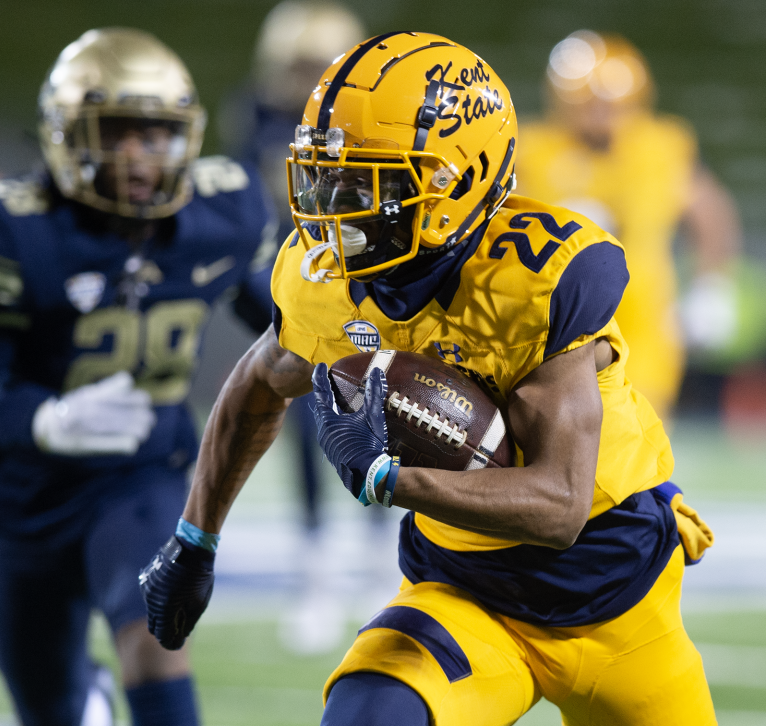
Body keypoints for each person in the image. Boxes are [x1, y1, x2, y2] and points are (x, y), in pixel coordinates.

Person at [141, 32, 718, 726]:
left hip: (617, 602)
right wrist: (195, 539)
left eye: (364, 182)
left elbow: (559, 507)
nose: (331, 208)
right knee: (367, 715)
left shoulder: (532, 279)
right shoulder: (327, 279)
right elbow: (259, 382)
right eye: (324, 176)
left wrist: (391, 479)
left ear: (455, 179)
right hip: (464, 592)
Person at [0, 28, 275, 726]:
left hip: (139, 475)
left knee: (155, 635)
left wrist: (360, 361)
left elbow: (289, 323)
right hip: (25, 496)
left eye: (158, 135)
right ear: (67, 133)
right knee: (49, 705)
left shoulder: (223, 212)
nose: (140, 157)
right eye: (117, 134)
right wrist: (44, 421)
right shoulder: (11, 228)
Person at [220, 0, 370, 654]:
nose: (311, 77)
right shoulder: (255, 117)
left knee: (382, 416)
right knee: (305, 426)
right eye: (301, 64)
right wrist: (269, 300)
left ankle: (378, 553)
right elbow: (244, 213)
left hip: (360, 281)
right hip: (291, 285)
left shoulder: (363, 120)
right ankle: (316, 570)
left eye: (322, 64)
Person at [515, 30, 743, 421]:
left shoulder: (659, 146)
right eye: (592, 104)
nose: (604, 115)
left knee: (638, 436)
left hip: (642, 325)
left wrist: (712, 285)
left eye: (614, 104)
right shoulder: (533, 148)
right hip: (552, 320)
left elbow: (710, 212)